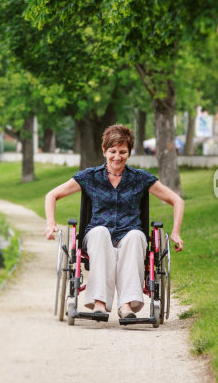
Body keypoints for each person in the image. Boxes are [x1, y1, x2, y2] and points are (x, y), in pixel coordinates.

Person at [44, 125, 184, 319]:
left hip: (129, 234)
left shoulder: (140, 179)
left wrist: (175, 232)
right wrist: (50, 223)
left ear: (129, 153)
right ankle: (99, 303)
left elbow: (177, 200)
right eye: (113, 151)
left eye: (122, 152)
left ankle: (126, 305)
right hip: (97, 235)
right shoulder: (89, 177)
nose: (117, 157)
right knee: (101, 232)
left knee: (136, 236)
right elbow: (52, 195)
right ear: (104, 150)